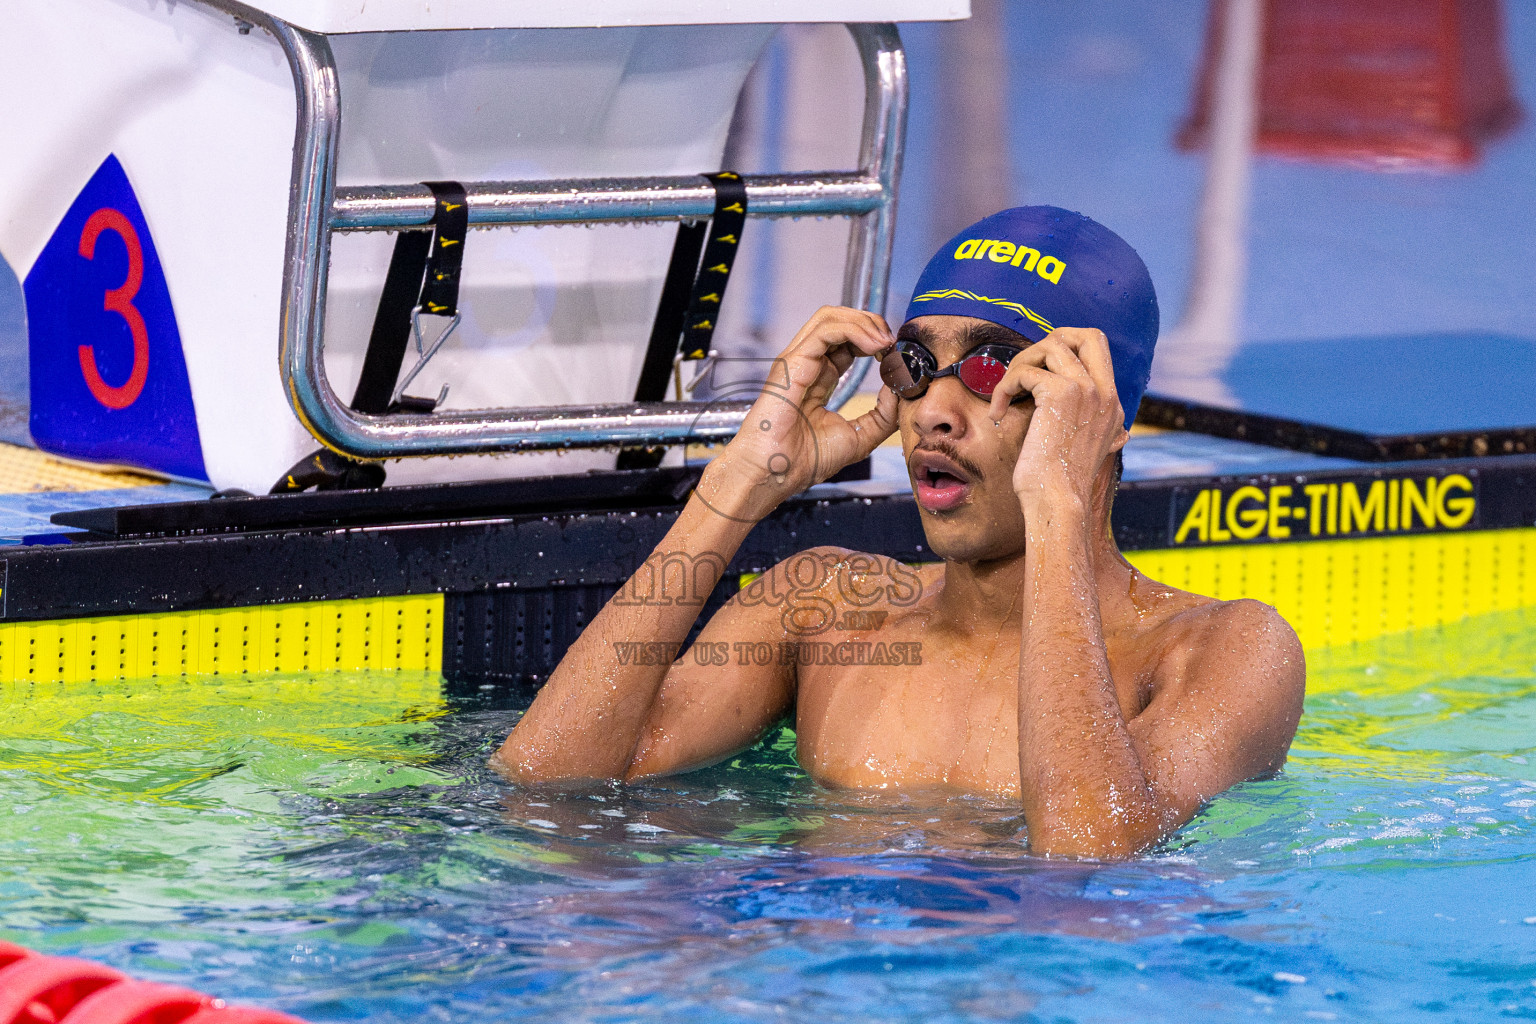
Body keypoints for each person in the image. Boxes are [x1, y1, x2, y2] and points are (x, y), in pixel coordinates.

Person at [492, 206, 1305, 859]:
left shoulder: (1224, 650)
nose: (935, 414)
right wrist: (735, 488)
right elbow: (546, 787)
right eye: (915, 364)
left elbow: (1089, 855)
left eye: (997, 369)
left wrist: (1057, 503)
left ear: (1105, 412)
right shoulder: (829, 609)